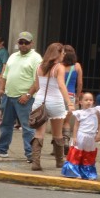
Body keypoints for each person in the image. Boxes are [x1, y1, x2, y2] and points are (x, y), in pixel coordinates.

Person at [0, 33, 42, 162]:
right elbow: (5, 74)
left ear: (31, 43)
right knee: (5, 124)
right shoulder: (13, 56)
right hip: (8, 96)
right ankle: (1, 149)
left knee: (27, 127)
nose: (23, 45)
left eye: (26, 43)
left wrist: (28, 95)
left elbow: (37, 81)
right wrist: (1, 87)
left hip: (25, 98)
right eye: (20, 42)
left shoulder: (36, 58)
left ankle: (30, 154)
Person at [26, 42, 71, 170]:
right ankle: (59, 162)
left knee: (39, 133)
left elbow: (37, 86)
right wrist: (70, 102)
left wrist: (28, 95)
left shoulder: (39, 66)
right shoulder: (59, 67)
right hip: (56, 101)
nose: (64, 55)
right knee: (57, 133)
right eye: (62, 53)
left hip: (39, 101)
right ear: (58, 54)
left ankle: (36, 163)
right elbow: (61, 85)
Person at [61, 92, 100, 179]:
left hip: (91, 136)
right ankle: (73, 172)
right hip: (81, 135)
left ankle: (87, 173)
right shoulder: (79, 113)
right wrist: (74, 137)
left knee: (88, 154)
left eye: (91, 100)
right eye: (86, 100)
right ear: (81, 102)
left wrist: (99, 133)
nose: (89, 102)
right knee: (76, 153)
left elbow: (99, 123)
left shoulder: (96, 112)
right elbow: (76, 126)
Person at [61, 44, 83, 144]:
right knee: (66, 122)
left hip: (59, 95)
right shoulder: (77, 66)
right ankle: (66, 141)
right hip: (70, 96)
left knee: (57, 122)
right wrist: (78, 97)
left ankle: (57, 147)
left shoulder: (59, 66)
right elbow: (80, 83)